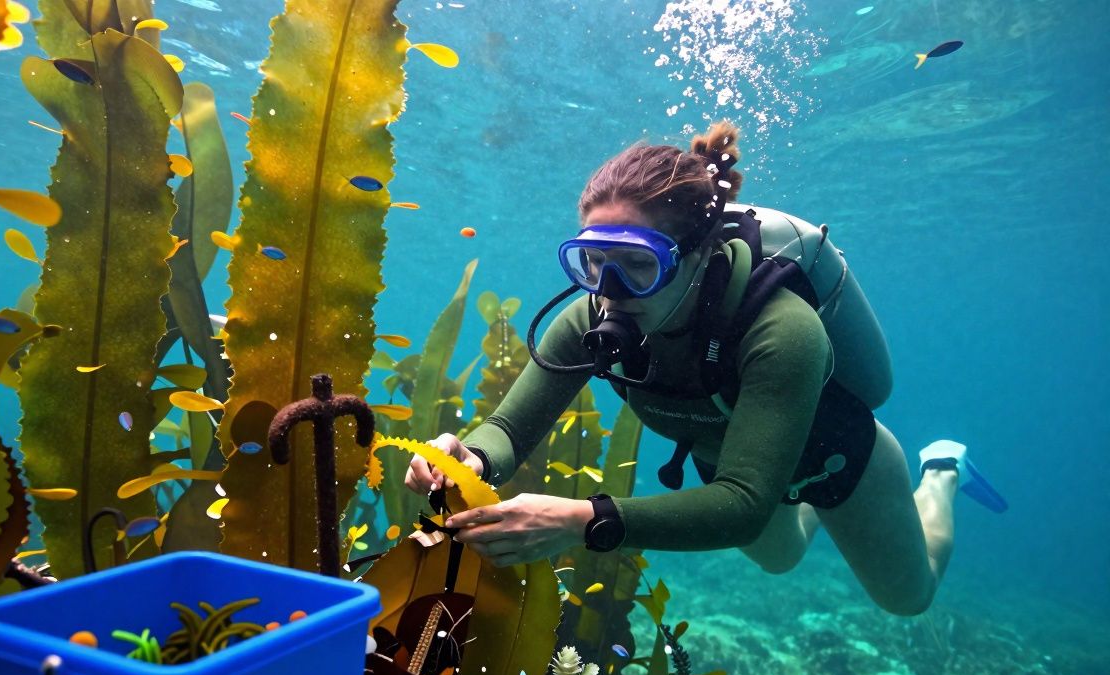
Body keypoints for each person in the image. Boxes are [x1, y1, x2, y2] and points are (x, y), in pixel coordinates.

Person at [404, 120, 1004, 617]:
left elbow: (742, 505)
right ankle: (796, 491)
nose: (609, 292)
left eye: (637, 265)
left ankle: (942, 470)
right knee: (781, 556)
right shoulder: (590, 317)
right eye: (593, 262)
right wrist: (472, 458)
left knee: (910, 597)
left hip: (837, 460)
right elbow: (508, 430)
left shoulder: (781, 328)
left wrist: (583, 519)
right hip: (738, 465)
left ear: (696, 255)